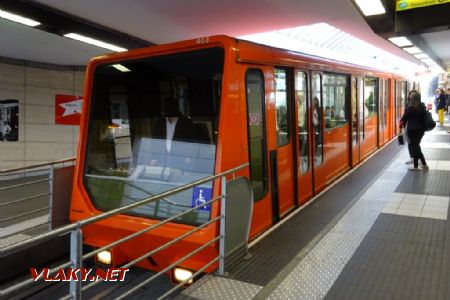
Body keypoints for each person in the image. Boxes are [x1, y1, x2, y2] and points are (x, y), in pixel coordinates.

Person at [400, 91, 428, 171]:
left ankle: (421, 165)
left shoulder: (410, 108)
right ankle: (420, 165)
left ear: (412, 99)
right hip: (421, 130)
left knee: (415, 147)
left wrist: (401, 126)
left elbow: (404, 119)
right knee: (416, 146)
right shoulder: (422, 107)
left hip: (412, 130)